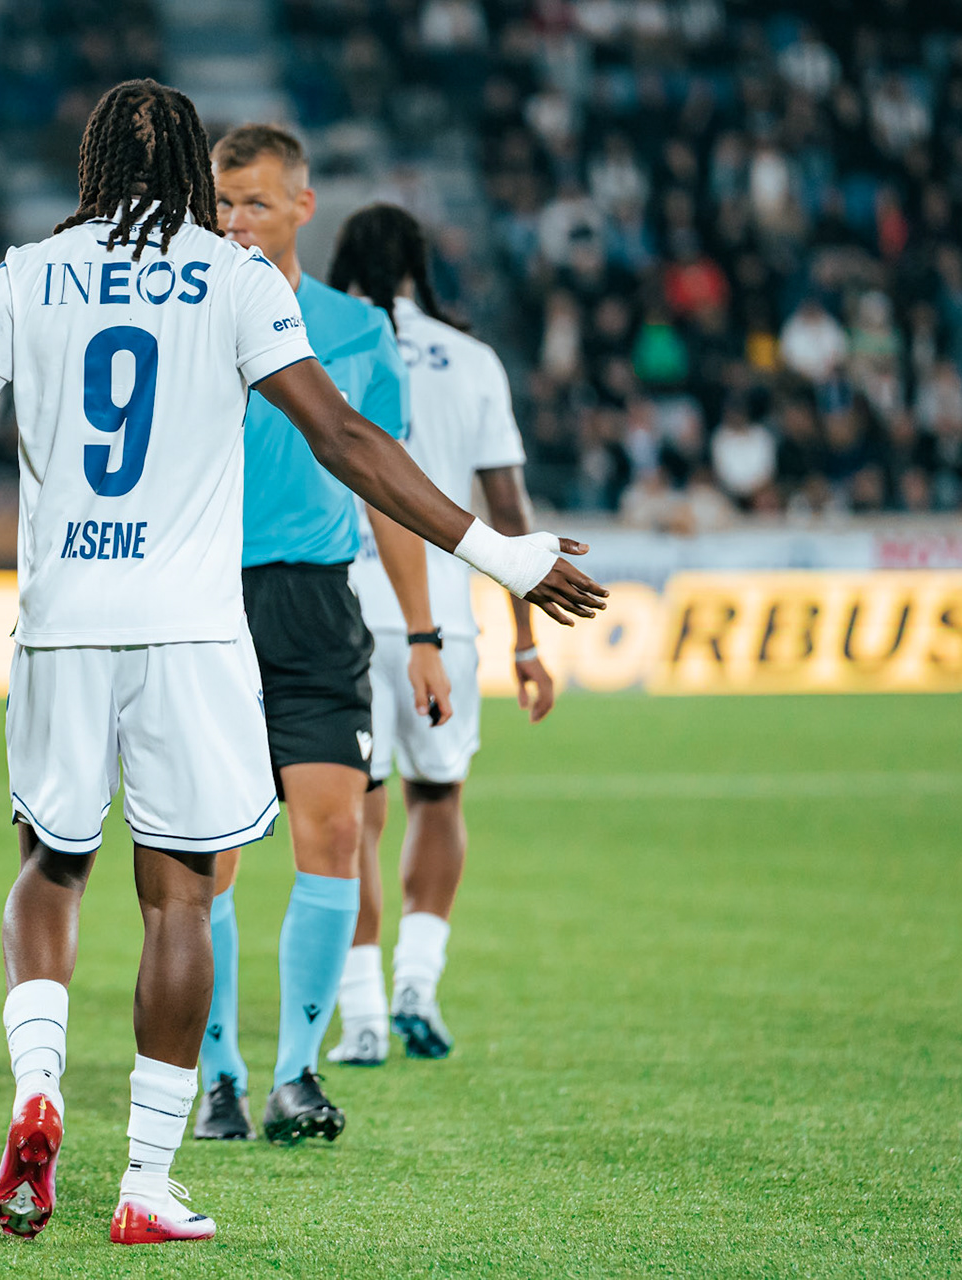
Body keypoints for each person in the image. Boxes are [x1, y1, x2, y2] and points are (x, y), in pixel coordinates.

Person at [0, 80, 607, 1245]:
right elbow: (347, 439)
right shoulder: (238, 280)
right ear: (192, 173)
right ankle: (147, 1182)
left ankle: (38, 1086)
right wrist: (503, 555)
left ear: (93, 166)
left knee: (51, 866)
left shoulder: (29, 274)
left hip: (62, 619)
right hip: (191, 631)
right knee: (181, 894)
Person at [189, 124, 455, 1146]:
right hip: (205, 605)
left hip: (317, 606)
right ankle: (220, 1077)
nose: (234, 222)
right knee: (210, 854)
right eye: (221, 204)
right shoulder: (186, 315)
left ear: (304, 206)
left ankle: (296, 1074)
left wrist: (423, 631)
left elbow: (385, 486)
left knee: (335, 835)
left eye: (254, 203)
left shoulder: (356, 330)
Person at [323, 204, 561, 1067]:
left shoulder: (317, 346)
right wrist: (525, 640)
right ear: (419, 266)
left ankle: (361, 1016)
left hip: (342, 603)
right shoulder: (473, 358)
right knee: (438, 798)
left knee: (352, 815)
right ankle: (417, 984)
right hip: (443, 620)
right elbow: (509, 508)